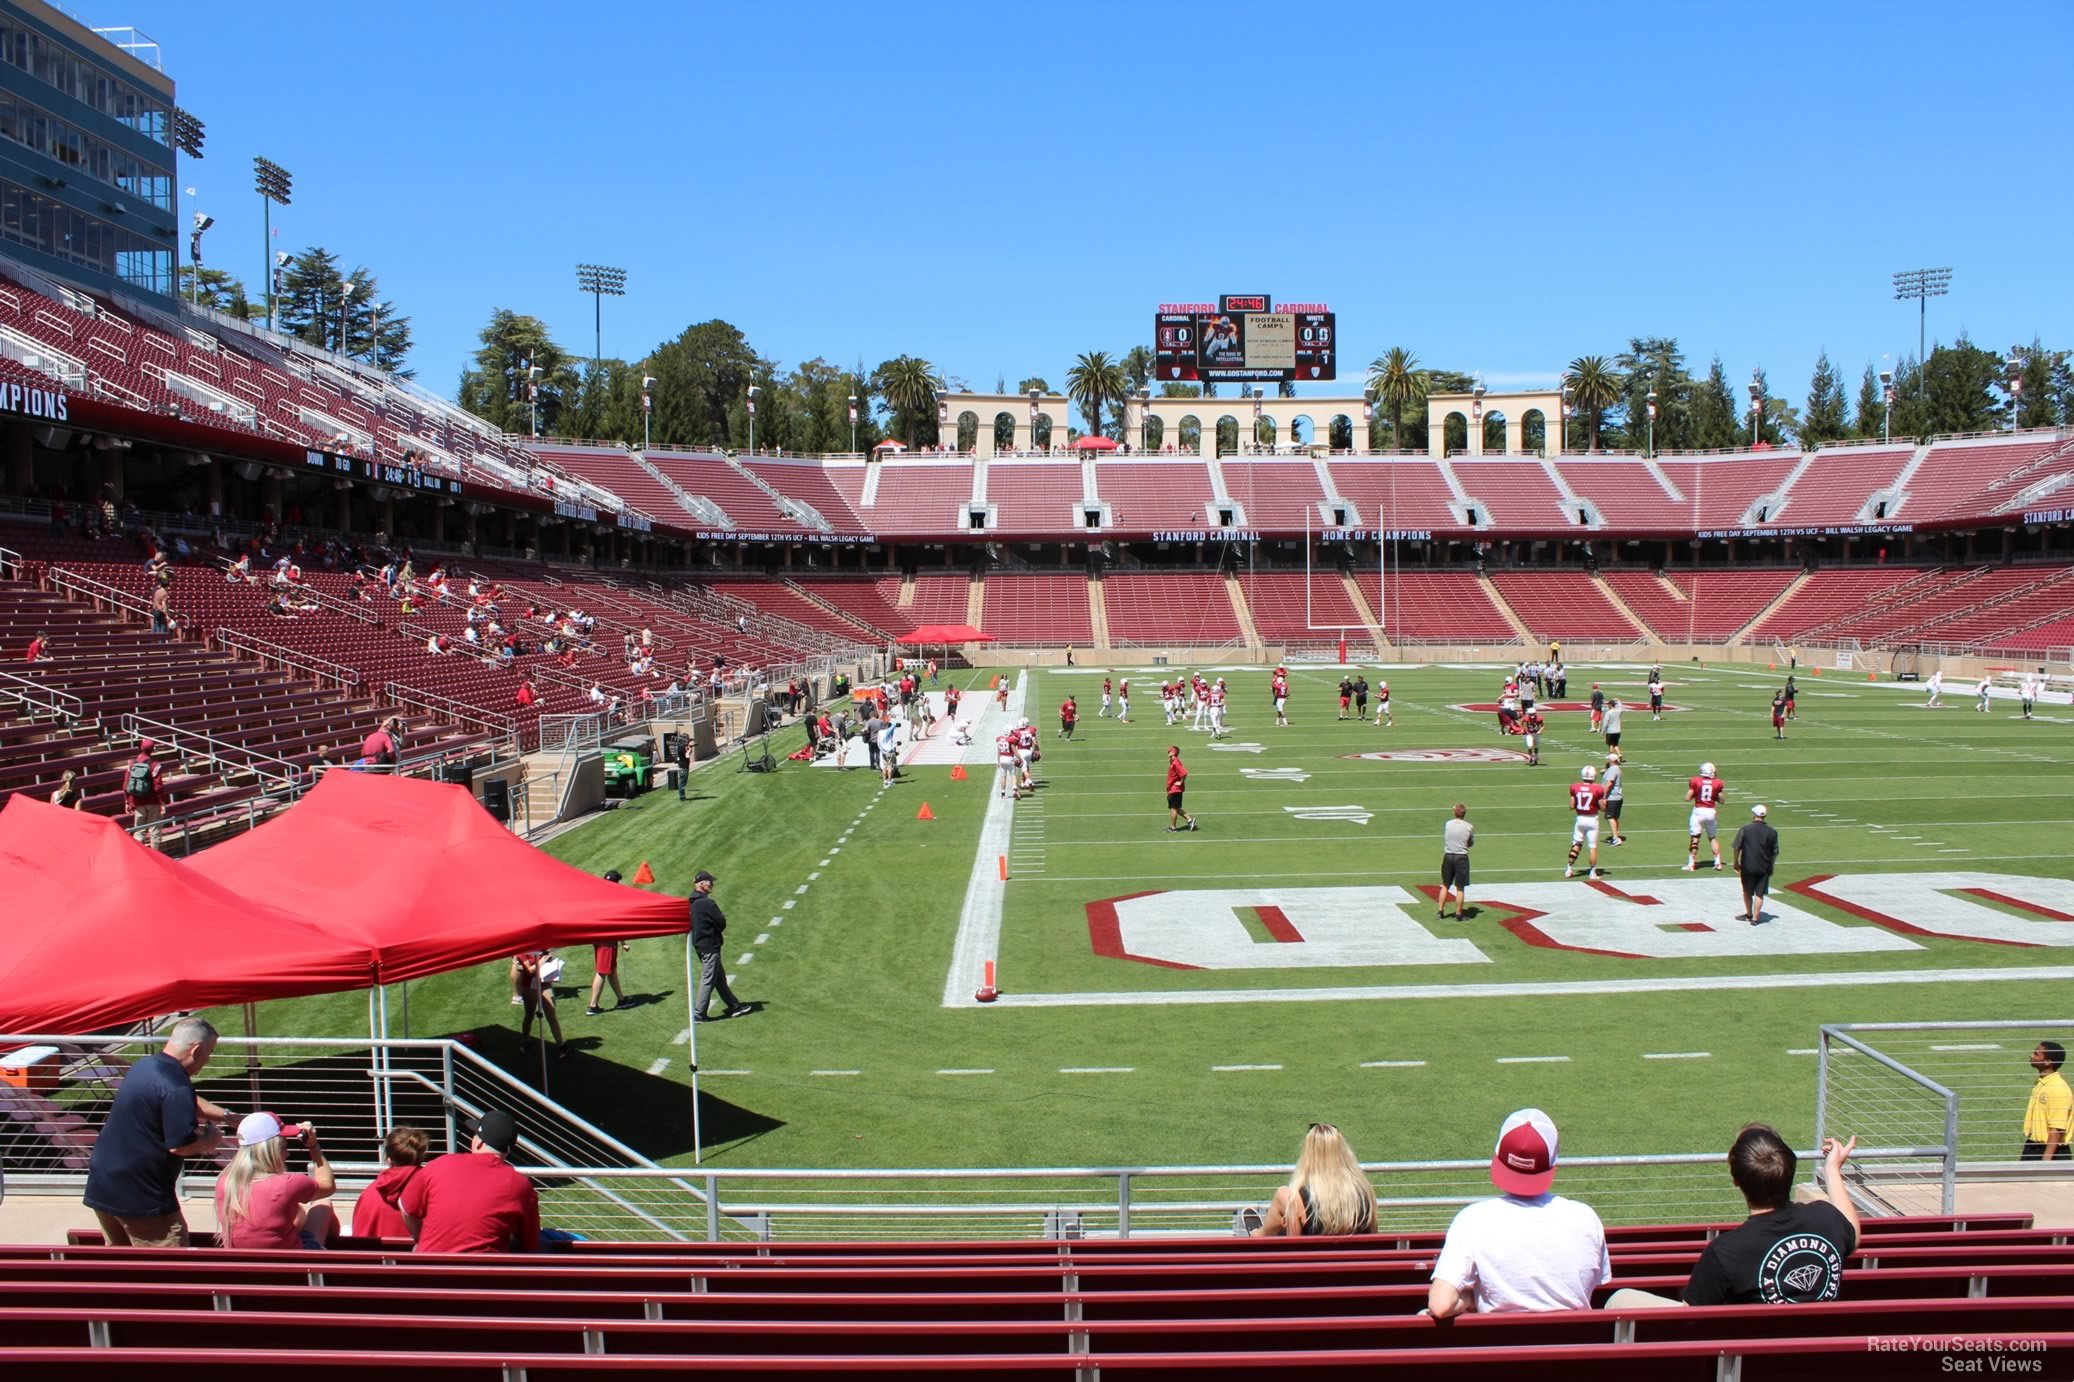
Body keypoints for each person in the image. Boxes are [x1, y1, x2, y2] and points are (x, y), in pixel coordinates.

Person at [1426, 1108, 1609, 1318]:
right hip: (1577, 1347)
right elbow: (1591, 1287)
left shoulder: (1472, 1220)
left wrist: (1472, 1298)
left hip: (1499, 1347)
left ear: (1499, 1158)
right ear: (1552, 1165)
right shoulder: (1585, 1217)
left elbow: (1440, 1305)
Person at [1667, 1127, 1860, 1306]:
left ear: (1735, 1180)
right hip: (1825, 1339)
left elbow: (1690, 1317)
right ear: (1790, 1171)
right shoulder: (1827, 1219)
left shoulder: (1725, 1251)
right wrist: (1832, 1169)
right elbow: (1853, 1232)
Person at [82, 1017, 229, 1247]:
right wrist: (209, 1141)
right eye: (208, 1053)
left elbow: (185, 1101)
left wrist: (229, 1116)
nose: (207, 1060)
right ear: (196, 1049)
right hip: (142, 1198)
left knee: (122, 1267)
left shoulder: (145, 1066)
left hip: (103, 1185)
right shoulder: (176, 1086)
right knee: (167, 1273)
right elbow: (180, 1145)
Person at [398, 1109, 539, 1254]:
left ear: (479, 1143)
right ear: (507, 1151)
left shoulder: (441, 1164)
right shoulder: (520, 1184)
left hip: (432, 1269)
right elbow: (530, 1244)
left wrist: (421, 1237)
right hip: (485, 1273)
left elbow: (406, 1209)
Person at [215, 1113, 338, 1249]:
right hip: (294, 1264)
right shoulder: (289, 1183)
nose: (288, 1153)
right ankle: (330, 1251)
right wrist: (313, 1145)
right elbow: (328, 1185)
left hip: (242, 1263)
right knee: (323, 1204)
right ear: (272, 1149)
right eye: (284, 1146)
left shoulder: (225, 1182)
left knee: (297, 1213)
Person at [1246, 1122, 1378, 1237]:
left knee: (1285, 1203)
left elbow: (1295, 1251)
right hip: (1356, 1264)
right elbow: (1373, 1237)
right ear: (1343, 1153)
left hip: (1312, 1265)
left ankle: (1258, 1233)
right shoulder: (1365, 1193)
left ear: (1308, 1155)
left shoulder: (1293, 1199)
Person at [691, 870, 750, 1022]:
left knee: (718, 978)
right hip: (710, 946)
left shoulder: (692, 902)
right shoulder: (707, 903)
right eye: (709, 881)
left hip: (700, 945)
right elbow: (721, 921)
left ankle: (734, 1006)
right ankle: (698, 1013)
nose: (712, 884)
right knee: (709, 979)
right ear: (701, 884)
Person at [351, 1125, 429, 1239]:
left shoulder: (369, 1194)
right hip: (422, 1255)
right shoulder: (432, 1190)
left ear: (388, 1160)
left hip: (377, 1256)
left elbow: (359, 1241)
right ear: (421, 1158)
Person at [587, 869, 631, 1015]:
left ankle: (621, 999)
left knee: (611, 970)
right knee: (602, 972)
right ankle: (593, 1006)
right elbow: (616, 923)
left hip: (598, 938)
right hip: (607, 941)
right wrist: (623, 942)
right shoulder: (614, 899)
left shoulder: (597, 895)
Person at [515, 950, 568, 1058]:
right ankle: (526, 1040)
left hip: (545, 984)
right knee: (529, 1015)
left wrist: (549, 958)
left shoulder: (541, 946)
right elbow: (530, 970)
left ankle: (561, 1046)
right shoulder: (521, 951)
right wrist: (543, 960)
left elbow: (549, 961)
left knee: (551, 1015)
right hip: (530, 986)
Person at [1732, 804, 1779, 925]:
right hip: (1764, 866)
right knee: (1760, 893)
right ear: (1765, 816)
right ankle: (1755, 918)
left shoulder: (1745, 829)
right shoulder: (1772, 832)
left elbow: (1737, 847)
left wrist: (1735, 862)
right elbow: (1774, 853)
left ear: (1754, 815)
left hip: (1747, 865)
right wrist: (1771, 866)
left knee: (1747, 891)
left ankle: (1749, 914)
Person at [2023, 1041, 2070, 1161]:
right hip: (2033, 1147)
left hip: (2051, 1152)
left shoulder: (2058, 1089)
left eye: (2036, 1054)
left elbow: (2057, 1129)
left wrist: (2046, 1162)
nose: (2031, 1056)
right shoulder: (2041, 1083)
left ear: (2048, 1061)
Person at [1564, 764, 1608, 880]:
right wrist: (1604, 804)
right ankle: (1592, 872)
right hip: (1592, 819)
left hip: (1580, 819)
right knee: (1592, 847)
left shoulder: (1575, 787)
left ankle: (1569, 869)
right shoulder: (1598, 789)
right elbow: (1602, 808)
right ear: (1594, 776)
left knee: (1576, 844)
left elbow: (1571, 806)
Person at [1685, 761, 1726, 871]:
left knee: (1695, 838)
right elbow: (1721, 800)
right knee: (1712, 838)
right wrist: (1714, 796)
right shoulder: (1718, 783)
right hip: (1710, 812)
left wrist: (1697, 793)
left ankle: (1691, 864)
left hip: (1698, 811)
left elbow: (1687, 798)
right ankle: (1718, 863)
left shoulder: (1695, 781)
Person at [123, 739, 166, 839]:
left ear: (141, 748)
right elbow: (158, 786)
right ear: (152, 750)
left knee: (139, 832)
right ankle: (155, 854)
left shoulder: (131, 764)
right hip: (153, 801)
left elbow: (126, 784)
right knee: (155, 831)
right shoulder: (155, 765)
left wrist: (127, 801)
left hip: (137, 801)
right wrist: (161, 802)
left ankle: (137, 854)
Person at [1439, 803, 1474, 920]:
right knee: (1460, 887)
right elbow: (1470, 843)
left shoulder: (1448, 824)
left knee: (1445, 885)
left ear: (1455, 812)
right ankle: (1458, 914)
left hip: (1448, 856)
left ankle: (1440, 911)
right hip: (1461, 858)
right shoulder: (1469, 826)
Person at [1165, 744, 1197, 833]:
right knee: (1176, 808)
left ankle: (1173, 827)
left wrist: (1180, 782)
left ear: (1174, 752)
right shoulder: (1172, 761)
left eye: (1170, 751)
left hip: (1175, 789)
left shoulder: (1175, 762)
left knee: (1173, 808)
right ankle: (1190, 820)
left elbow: (1184, 772)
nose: (1168, 752)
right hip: (1172, 788)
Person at [1601, 751, 1626, 846]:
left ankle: (1616, 838)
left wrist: (1603, 796)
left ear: (1611, 760)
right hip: (1617, 797)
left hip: (1612, 797)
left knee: (1610, 817)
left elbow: (1609, 783)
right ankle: (1615, 836)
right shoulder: (1615, 768)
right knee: (1614, 818)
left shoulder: (1613, 769)